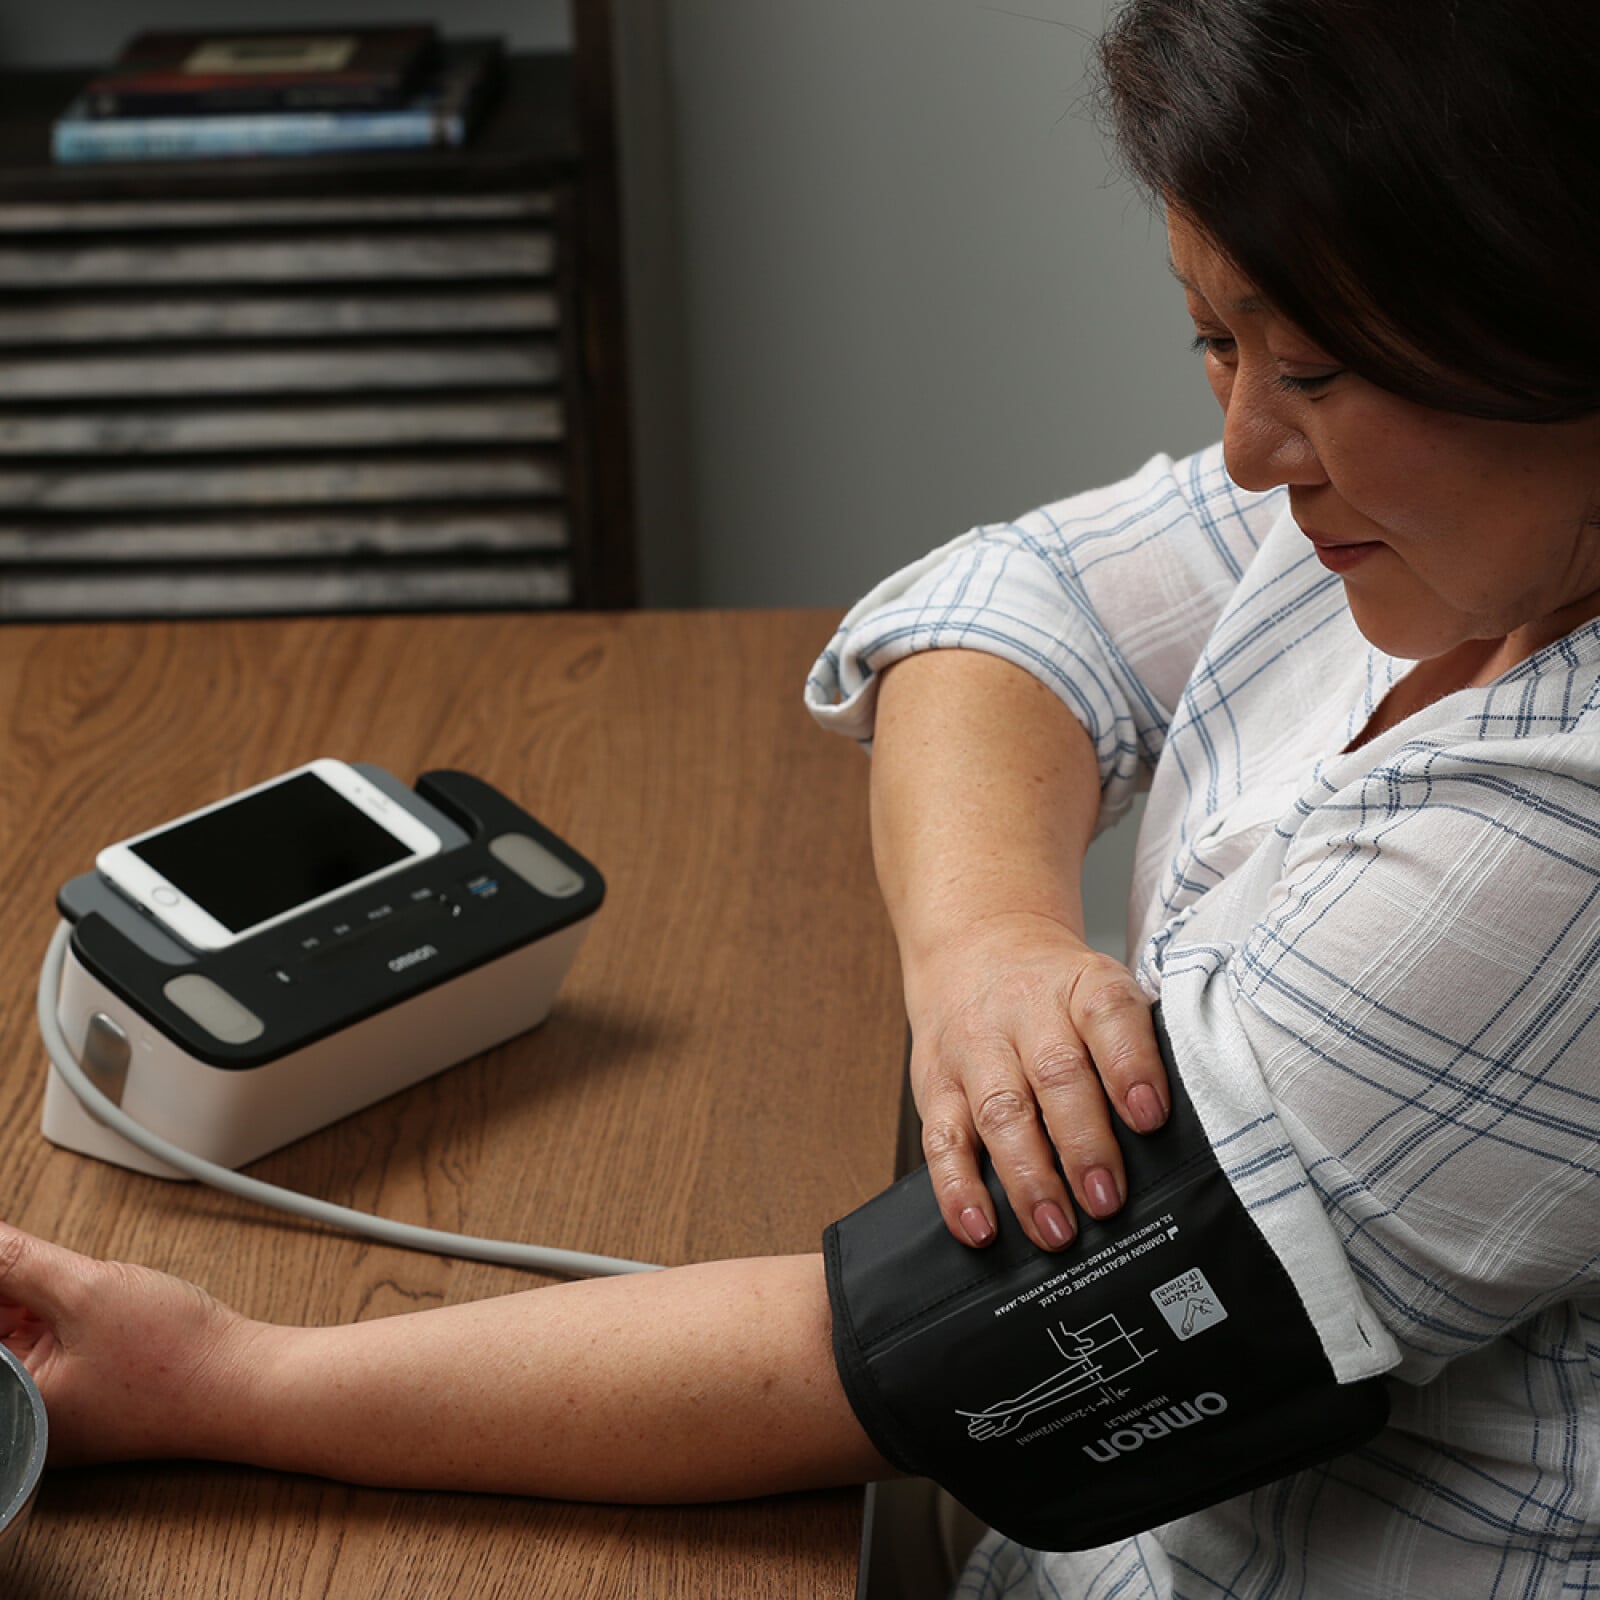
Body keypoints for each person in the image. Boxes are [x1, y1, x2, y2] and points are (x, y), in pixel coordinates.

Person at [6, 1, 1599, 1595]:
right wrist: (989, 951)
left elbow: (952, 1352)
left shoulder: (1557, 832)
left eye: (1310, 368)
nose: (1246, 448)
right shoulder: (1416, 506)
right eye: (1213, 338)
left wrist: (219, 1377)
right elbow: (1002, 609)